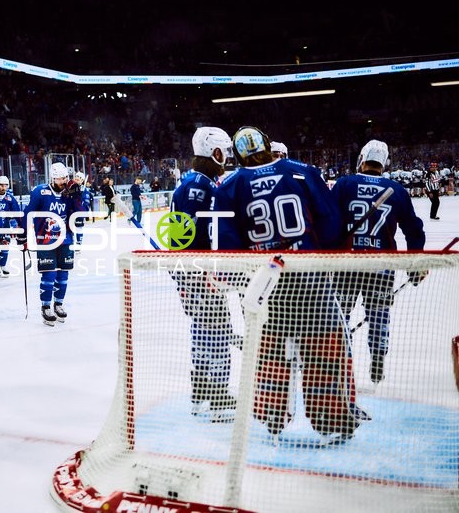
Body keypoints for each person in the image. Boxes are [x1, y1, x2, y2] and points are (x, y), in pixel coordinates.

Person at [214, 126, 361, 441]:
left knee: (269, 351)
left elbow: (226, 242)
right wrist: (328, 248)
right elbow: (331, 221)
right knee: (324, 349)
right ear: (267, 144)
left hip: (266, 283)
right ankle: (332, 421)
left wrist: (241, 281)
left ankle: (272, 418)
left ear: (236, 154)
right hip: (310, 278)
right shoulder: (301, 172)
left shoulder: (230, 185)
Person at [332, 140, 425, 384]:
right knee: (379, 316)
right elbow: (414, 230)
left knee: (340, 317)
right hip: (381, 265)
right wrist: (415, 266)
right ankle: (378, 358)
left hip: (347, 266)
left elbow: (327, 220)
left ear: (361, 159)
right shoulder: (396, 189)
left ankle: (343, 364)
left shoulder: (344, 184)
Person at [170, 127, 236, 419]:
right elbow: (203, 232)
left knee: (202, 330)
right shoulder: (202, 187)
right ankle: (218, 398)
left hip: (189, 271)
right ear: (215, 152)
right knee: (219, 330)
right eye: (225, 152)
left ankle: (201, 393)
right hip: (200, 272)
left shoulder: (191, 181)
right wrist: (207, 270)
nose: (228, 159)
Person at [22, 162, 79, 326]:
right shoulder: (40, 191)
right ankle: (46, 306)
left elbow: (80, 216)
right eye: (60, 178)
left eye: (65, 178)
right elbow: (28, 214)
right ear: (52, 178)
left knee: (63, 275)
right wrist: (23, 235)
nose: (63, 181)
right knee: (49, 275)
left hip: (66, 239)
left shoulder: (68, 194)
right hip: (45, 240)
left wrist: (77, 198)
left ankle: (59, 304)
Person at [0, 175, 20, 277]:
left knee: (5, 245)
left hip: (6, 225)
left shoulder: (9, 198)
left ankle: (3, 265)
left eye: (6, 186)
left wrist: (19, 224)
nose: (4, 188)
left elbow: (17, 212)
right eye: (2, 186)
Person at [69, 171, 92, 245]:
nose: (77, 178)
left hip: (79, 212)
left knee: (79, 227)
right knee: (70, 228)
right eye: (76, 177)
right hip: (70, 212)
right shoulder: (70, 188)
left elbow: (86, 203)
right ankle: (70, 243)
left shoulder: (84, 190)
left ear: (82, 180)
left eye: (79, 178)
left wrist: (82, 208)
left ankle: (79, 243)